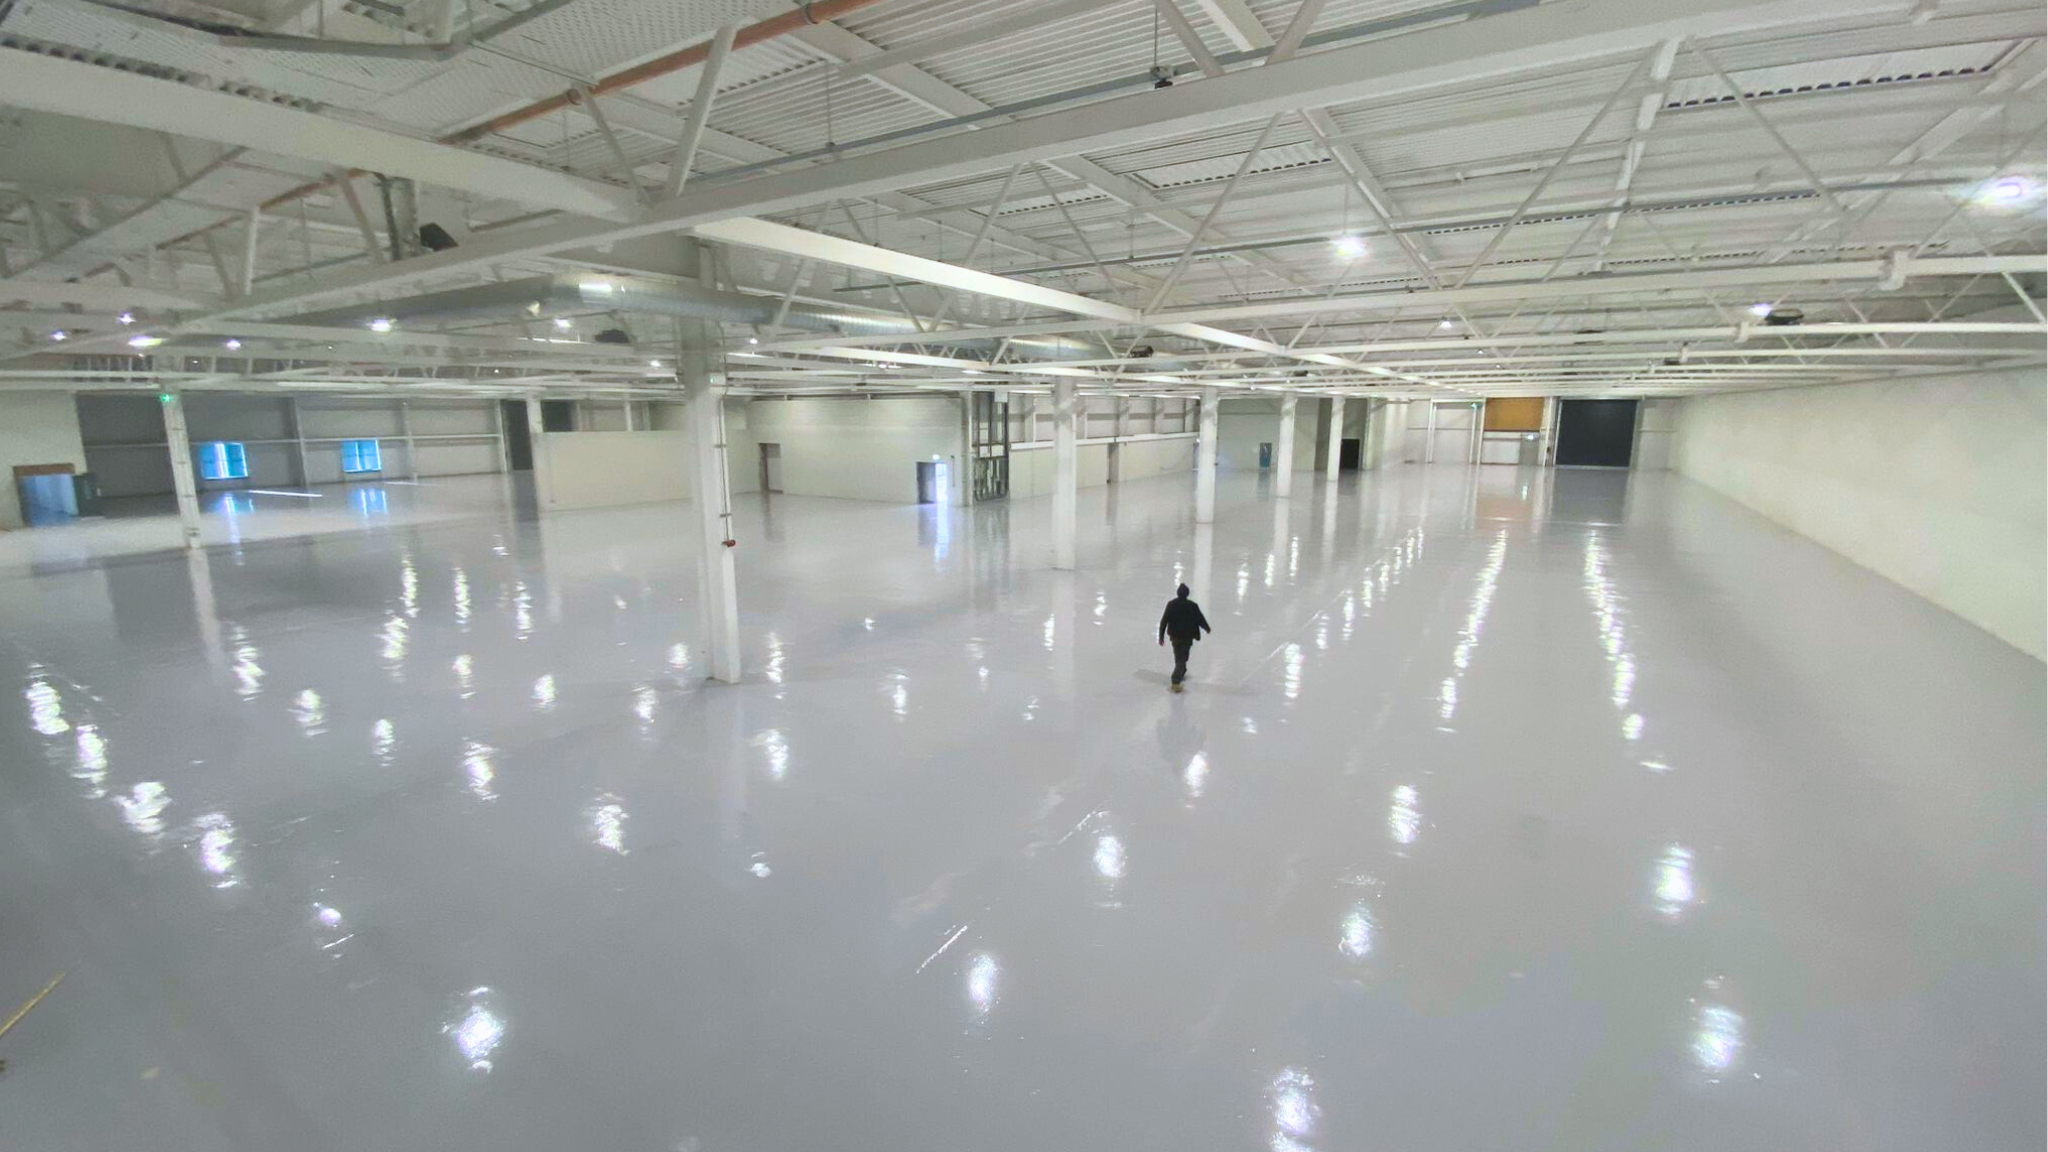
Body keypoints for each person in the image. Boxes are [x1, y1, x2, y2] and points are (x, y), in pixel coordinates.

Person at [1157, 583, 1212, 693]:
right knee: (1181, 658)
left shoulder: (1171, 604)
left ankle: (1181, 670)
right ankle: (1175, 681)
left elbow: (1164, 621)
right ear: (1187, 594)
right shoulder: (1192, 606)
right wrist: (1207, 628)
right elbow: (1200, 619)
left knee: (1180, 656)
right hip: (1187, 637)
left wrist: (1161, 636)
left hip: (1175, 637)